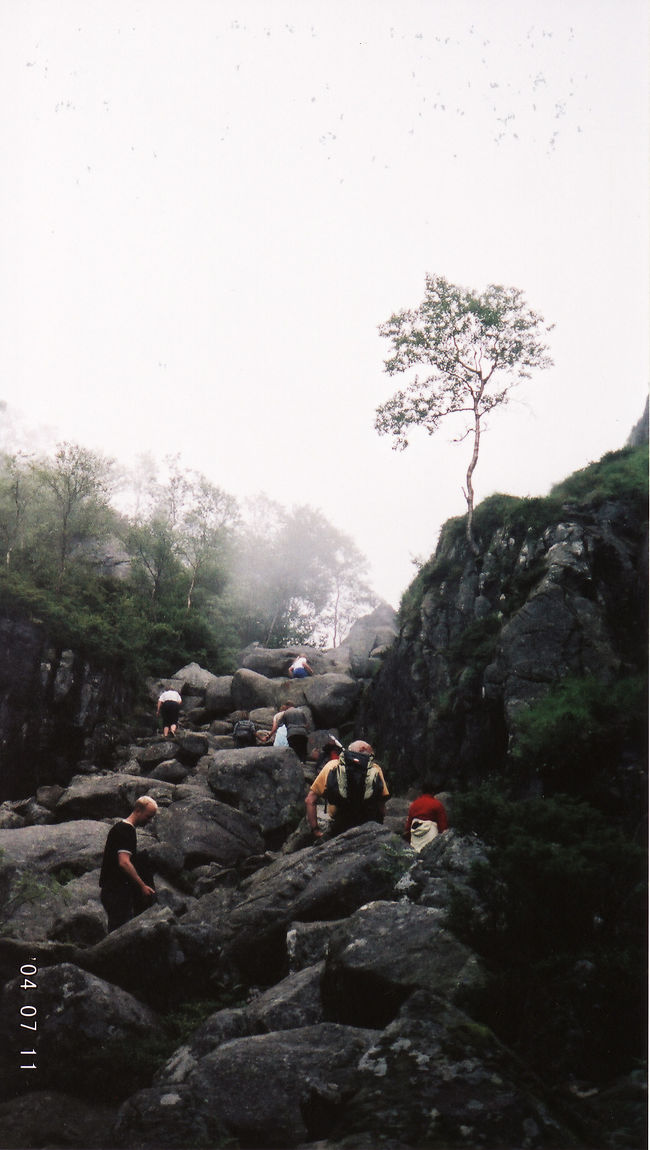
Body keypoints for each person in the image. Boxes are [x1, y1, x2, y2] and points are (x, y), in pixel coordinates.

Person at [305, 739, 389, 840]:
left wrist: (316, 830)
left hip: (340, 824)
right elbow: (381, 805)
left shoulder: (332, 765)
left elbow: (310, 800)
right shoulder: (375, 768)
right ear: (364, 749)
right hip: (368, 823)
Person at [99, 796, 158, 932]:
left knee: (117, 929)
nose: (149, 821)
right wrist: (142, 886)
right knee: (119, 932)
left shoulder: (119, 827)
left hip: (112, 890)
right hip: (116, 891)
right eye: (148, 816)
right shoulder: (126, 830)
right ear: (138, 810)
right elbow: (124, 862)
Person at [404, 780, 448, 852]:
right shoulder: (437, 804)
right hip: (431, 835)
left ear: (422, 791)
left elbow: (408, 827)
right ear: (433, 792)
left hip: (415, 837)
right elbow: (443, 827)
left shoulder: (414, 804)